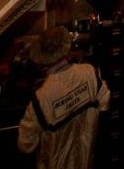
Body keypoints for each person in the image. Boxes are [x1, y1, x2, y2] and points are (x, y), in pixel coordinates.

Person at [17, 25, 110, 169]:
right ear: (67, 49)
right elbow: (105, 103)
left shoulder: (40, 98)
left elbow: (25, 145)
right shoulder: (89, 73)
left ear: (43, 58)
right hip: (86, 161)